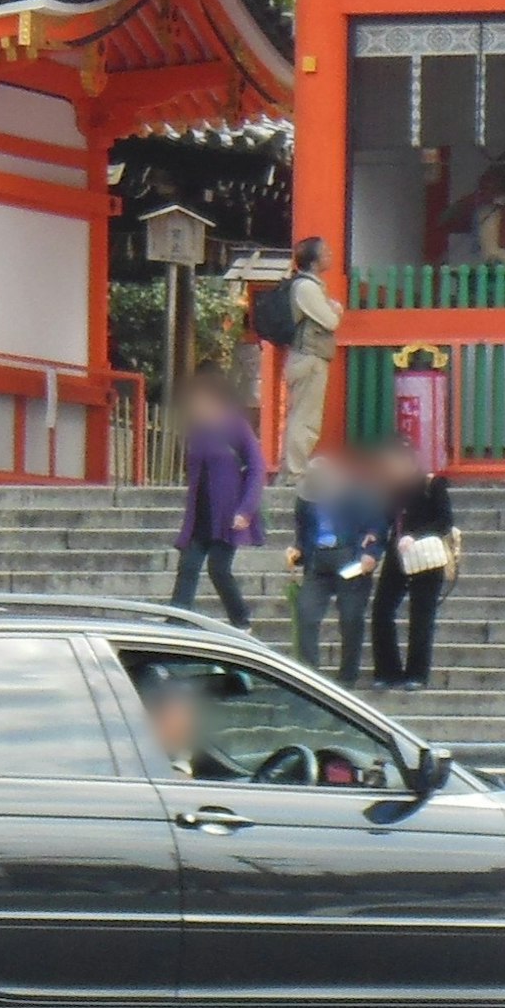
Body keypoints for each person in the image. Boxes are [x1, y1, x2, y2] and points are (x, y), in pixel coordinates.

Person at [169, 367, 264, 627]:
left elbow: (256, 468)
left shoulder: (236, 425)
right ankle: (175, 622)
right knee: (187, 567)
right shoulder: (197, 430)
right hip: (200, 511)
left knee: (219, 569)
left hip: (228, 512)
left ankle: (241, 620)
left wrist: (246, 509)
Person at [367, 433, 457, 689]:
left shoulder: (432, 484)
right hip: (398, 555)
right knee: (382, 608)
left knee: (422, 614)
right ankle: (387, 671)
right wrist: (373, 535)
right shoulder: (394, 490)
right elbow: (386, 520)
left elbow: (444, 522)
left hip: (427, 557)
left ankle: (417, 674)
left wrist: (415, 536)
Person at [287, 450, 385, 682]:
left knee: (351, 617)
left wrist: (371, 554)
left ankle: (348, 675)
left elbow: (376, 526)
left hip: (349, 557)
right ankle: (309, 673)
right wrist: (297, 551)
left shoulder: (355, 495)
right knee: (306, 613)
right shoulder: (305, 501)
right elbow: (302, 533)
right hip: (317, 560)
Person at [268, 237, 344, 475]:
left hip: (308, 356)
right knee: (305, 416)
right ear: (313, 260)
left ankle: (294, 466)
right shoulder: (307, 288)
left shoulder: (310, 285)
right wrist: (335, 309)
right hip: (308, 356)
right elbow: (331, 321)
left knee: (304, 414)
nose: (330, 255)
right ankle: (295, 469)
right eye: (325, 252)